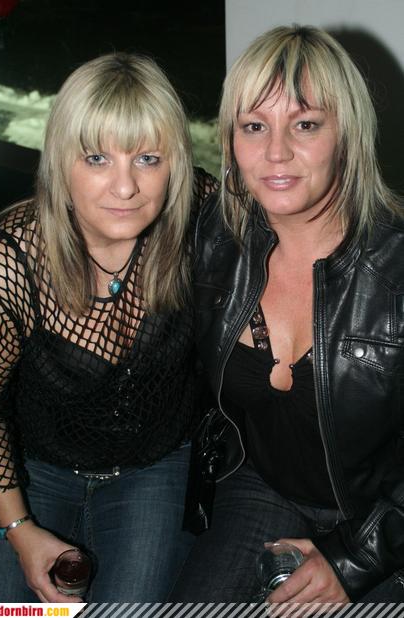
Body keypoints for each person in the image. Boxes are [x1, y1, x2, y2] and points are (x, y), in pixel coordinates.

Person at [170, 25, 404, 606]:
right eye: (254, 126)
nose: (275, 152)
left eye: (305, 125)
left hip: (382, 522)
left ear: (347, 135)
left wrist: (355, 559)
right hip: (260, 487)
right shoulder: (215, 240)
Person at [0, 52, 217, 602]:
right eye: (97, 157)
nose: (125, 188)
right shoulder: (12, 262)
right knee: (13, 613)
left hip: (154, 468)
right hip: (33, 470)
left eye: (148, 158)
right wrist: (19, 530)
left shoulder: (200, 219)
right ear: (60, 162)